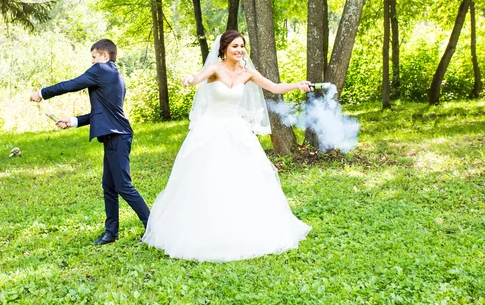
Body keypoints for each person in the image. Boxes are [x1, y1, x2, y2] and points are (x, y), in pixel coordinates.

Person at [142, 30, 312, 262]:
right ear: (224, 49)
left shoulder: (247, 73)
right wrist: (188, 79)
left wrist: (297, 85)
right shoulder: (215, 69)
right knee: (208, 178)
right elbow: (196, 77)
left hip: (236, 130)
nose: (240, 50)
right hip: (211, 130)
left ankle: (243, 228)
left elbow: (273, 87)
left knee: (244, 177)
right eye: (235, 46)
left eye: (242, 46)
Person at [30, 39, 150, 245]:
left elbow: (70, 85)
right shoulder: (114, 75)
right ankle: (111, 233)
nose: (92, 62)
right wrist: (73, 121)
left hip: (118, 136)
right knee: (109, 187)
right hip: (115, 135)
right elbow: (101, 112)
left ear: (105, 56)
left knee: (123, 186)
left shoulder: (101, 70)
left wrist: (41, 93)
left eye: (94, 57)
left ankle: (153, 228)